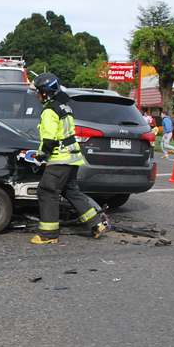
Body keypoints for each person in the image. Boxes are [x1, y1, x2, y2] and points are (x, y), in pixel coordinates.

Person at [25, 73, 107, 243]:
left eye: (39, 93)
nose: (38, 96)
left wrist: (40, 156)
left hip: (60, 159)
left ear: (46, 92)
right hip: (72, 158)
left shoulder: (49, 110)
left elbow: (49, 139)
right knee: (71, 191)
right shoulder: (64, 106)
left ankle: (48, 234)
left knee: (47, 191)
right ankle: (96, 223)